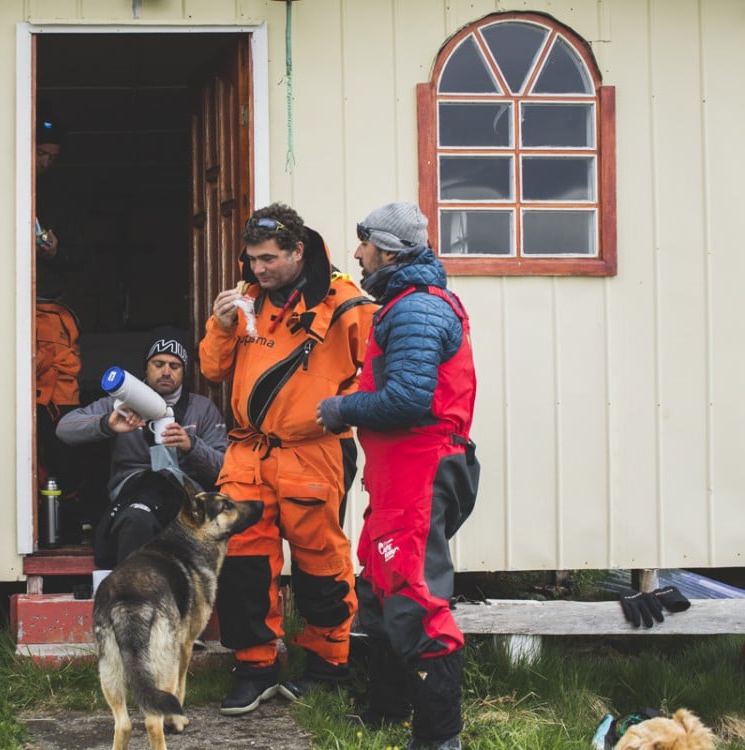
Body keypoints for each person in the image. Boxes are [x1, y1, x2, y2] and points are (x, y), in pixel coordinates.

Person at [199, 203, 376, 715]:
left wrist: (339, 407)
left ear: (299, 251)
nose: (258, 269)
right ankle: (255, 668)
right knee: (242, 566)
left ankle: (327, 667)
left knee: (321, 563)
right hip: (247, 455)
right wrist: (221, 321)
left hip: (312, 453)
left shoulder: (345, 303)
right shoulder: (246, 298)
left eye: (269, 259)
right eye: (252, 259)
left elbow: (381, 372)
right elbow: (213, 368)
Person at [315, 201, 479, 750]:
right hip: (399, 479)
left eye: (363, 245)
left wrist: (342, 410)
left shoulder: (417, 309)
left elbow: (408, 399)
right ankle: (386, 710)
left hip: (421, 472)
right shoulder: (406, 305)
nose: (356, 255)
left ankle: (438, 738)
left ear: (386, 250)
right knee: (382, 589)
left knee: (415, 597)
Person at [56, 327, 228, 568]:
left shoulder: (201, 408)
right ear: (146, 366)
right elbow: (64, 428)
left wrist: (192, 446)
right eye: (158, 363)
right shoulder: (121, 403)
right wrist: (107, 424)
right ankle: (133, 600)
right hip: (134, 493)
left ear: (184, 371)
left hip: (185, 497)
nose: (166, 371)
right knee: (137, 520)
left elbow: (225, 469)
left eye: (174, 366)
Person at [34, 98, 87, 540]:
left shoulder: (63, 197)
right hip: (14, 315)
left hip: (51, 311)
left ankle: (64, 526)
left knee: (60, 430)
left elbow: (79, 259)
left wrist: (55, 251)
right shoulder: (10, 186)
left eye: (52, 158)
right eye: (40, 155)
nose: (45, 164)